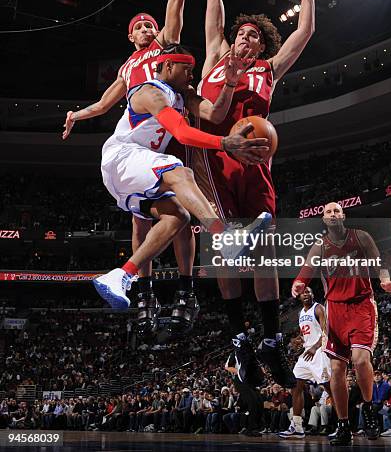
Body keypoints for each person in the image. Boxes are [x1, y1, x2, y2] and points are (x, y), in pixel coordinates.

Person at [193, 0, 315, 388]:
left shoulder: (269, 68)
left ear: (263, 44)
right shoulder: (213, 56)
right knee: (226, 256)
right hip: (216, 164)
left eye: (255, 37)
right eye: (242, 35)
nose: (247, 40)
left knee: (264, 255)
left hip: (256, 164)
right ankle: (239, 336)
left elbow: (304, 31)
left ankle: (267, 338)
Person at [62, 0, 197, 336]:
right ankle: (145, 290)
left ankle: (186, 289)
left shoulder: (162, 49)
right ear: (129, 37)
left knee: (182, 210)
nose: (145, 27)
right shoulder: (126, 68)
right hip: (138, 134)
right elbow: (103, 105)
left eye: (149, 24)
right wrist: (76, 115)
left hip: (167, 124)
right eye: (138, 26)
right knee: (143, 219)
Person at [93, 45, 271, 310]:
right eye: (186, 69)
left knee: (179, 217)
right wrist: (225, 143)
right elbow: (182, 133)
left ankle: (121, 275)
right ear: (167, 67)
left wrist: (230, 84)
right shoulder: (149, 92)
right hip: (122, 158)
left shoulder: (182, 95)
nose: (191, 74)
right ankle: (224, 236)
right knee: (181, 172)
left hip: (132, 177)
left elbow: (215, 114)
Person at [292, 201, 391, 445]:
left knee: (361, 360)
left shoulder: (361, 236)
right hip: (335, 309)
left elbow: (379, 263)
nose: (332, 214)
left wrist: (384, 280)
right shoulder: (320, 245)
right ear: (324, 219)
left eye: (336, 211)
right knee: (337, 369)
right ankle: (343, 425)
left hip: (361, 304)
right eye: (328, 211)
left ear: (343, 216)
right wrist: (298, 283)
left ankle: (370, 408)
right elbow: (306, 270)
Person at [279, 286, 331, 439]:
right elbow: (305, 334)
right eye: (303, 293)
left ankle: (345, 422)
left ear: (313, 294)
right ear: (299, 297)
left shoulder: (319, 308)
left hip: (319, 351)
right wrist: (299, 341)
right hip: (306, 353)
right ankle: (297, 426)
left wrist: (315, 347)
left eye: (308, 291)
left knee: (329, 386)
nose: (306, 294)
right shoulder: (301, 313)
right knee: (295, 385)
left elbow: (326, 331)